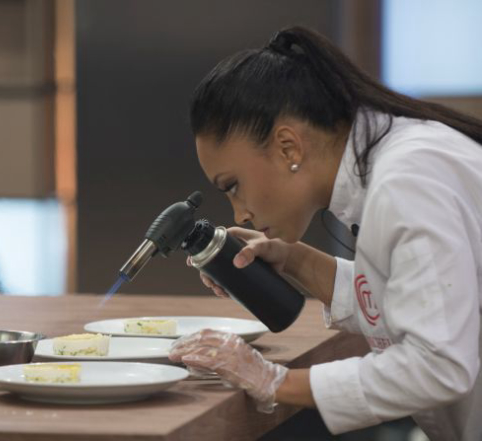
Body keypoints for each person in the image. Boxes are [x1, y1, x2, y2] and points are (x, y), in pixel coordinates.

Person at [168, 26, 482, 440]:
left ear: (288, 148)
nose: (239, 213)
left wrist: (273, 380)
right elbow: (421, 299)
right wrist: (293, 259)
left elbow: (439, 366)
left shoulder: (407, 180)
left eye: (233, 186)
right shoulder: (394, 161)